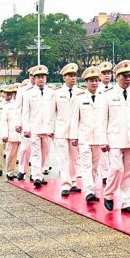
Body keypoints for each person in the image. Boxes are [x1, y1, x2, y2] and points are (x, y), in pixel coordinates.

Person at [99, 61, 130, 213]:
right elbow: (102, 120)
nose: (128, 79)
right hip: (115, 139)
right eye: (125, 76)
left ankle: (126, 202)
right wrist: (102, 140)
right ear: (117, 77)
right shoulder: (107, 95)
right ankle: (109, 194)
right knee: (117, 169)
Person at [45, 63, 83, 196]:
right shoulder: (57, 93)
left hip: (76, 131)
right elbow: (50, 112)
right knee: (63, 158)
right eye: (70, 76)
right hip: (60, 130)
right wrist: (49, 129)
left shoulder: (80, 92)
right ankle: (65, 184)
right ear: (64, 78)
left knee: (74, 158)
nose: (73, 78)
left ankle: (73, 182)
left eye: (74, 76)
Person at [72, 68, 104, 201]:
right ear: (86, 82)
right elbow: (74, 119)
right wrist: (74, 135)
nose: (94, 83)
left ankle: (93, 189)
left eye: (96, 80)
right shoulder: (79, 98)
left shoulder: (103, 97)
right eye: (91, 81)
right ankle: (88, 192)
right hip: (84, 137)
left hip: (98, 138)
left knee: (95, 167)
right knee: (86, 165)